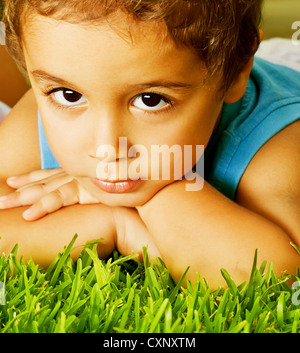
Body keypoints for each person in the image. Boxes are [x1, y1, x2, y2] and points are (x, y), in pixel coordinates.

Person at [0, 0, 299, 288]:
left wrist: (163, 196)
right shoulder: (49, 99)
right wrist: (112, 219)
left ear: (237, 73)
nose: (107, 149)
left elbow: (274, 277)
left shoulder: (274, 143)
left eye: (150, 100)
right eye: (69, 95)